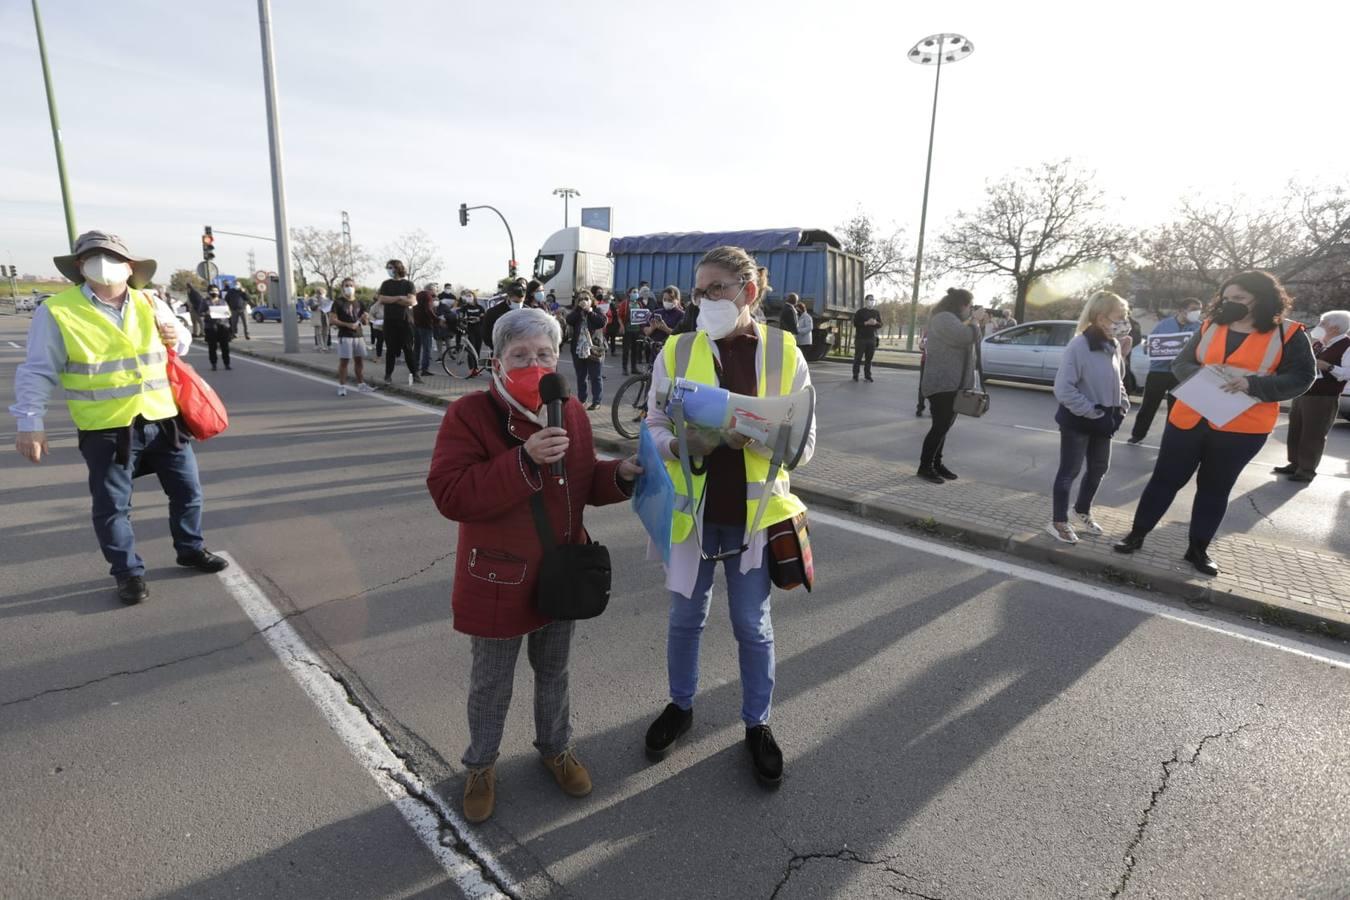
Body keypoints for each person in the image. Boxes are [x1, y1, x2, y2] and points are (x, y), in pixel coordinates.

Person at [426, 307, 639, 824]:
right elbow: (451, 494)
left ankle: (555, 748)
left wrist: (625, 474)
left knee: (554, 672)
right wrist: (524, 460)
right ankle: (480, 765)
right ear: (496, 361)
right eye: (520, 355)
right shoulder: (470, 415)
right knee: (492, 682)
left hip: (561, 574)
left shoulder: (571, 411)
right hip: (497, 578)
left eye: (544, 353)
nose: (534, 363)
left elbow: (585, 484)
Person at [640, 246, 815, 788]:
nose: (705, 300)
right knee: (684, 620)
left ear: (749, 291)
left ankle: (757, 724)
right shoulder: (676, 349)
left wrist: (764, 431)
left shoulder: (786, 351)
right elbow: (651, 425)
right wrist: (682, 442)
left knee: (752, 626)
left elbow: (805, 446)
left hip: (756, 518)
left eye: (717, 288)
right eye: (699, 290)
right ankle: (681, 705)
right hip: (693, 515)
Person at [10, 230, 229, 604]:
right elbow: (37, 371)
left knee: (188, 492)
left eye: (111, 256)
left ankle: (190, 548)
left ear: (130, 267)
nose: (103, 262)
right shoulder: (58, 310)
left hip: (162, 419)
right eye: (93, 256)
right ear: (80, 267)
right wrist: (30, 423)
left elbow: (181, 344)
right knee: (113, 507)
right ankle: (128, 574)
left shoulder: (151, 301)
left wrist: (177, 333)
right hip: (105, 427)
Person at [1113, 271, 1316, 575]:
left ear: (1261, 299)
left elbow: (1303, 378)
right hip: (1190, 416)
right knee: (1164, 479)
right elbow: (1180, 363)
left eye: (1239, 299)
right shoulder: (1210, 325)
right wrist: (1204, 376)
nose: (1230, 304)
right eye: (1226, 298)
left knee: (1214, 488)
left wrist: (1253, 385)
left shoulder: (1289, 334)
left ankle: (1198, 550)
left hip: (1243, 426)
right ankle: (1136, 535)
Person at [1046, 291, 1131, 544]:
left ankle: (1081, 510)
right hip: (1079, 421)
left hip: (1105, 421)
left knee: (1098, 468)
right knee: (1069, 471)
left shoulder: (1113, 344)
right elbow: (1063, 389)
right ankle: (1058, 521)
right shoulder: (1079, 345)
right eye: (1120, 316)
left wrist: (1122, 406)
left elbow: (1118, 382)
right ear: (1102, 317)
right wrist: (1093, 412)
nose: (1125, 321)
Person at [917, 288, 988, 483]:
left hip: (954, 384)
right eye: (970, 306)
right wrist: (974, 321)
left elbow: (973, 337)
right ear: (962, 305)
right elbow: (964, 336)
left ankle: (936, 463)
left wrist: (974, 322)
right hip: (942, 383)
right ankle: (925, 467)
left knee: (944, 427)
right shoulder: (943, 319)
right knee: (939, 427)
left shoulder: (954, 320)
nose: (971, 310)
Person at [1276, 309, 1349, 482]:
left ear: (1335, 328)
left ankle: (1306, 470)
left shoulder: (1346, 345)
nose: (1319, 326)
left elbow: (1347, 372)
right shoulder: (1319, 344)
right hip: (1304, 392)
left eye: (1323, 324)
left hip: (1323, 397)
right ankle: (1294, 464)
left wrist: (1329, 367)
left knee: (1313, 434)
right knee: (1296, 430)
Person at [1127, 298, 1203, 444]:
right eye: (1193, 309)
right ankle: (1137, 435)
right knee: (1149, 405)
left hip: (1181, 374)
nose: (1197, 312)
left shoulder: (1200, 327)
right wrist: (1150, 348)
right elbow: (1148, 346)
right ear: (1181, 310)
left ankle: (1171, 439)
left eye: (1199, 309)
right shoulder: (1164, 324)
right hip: (1159, 371)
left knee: (1176, 409)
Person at [377, 259, 421, 385]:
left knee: (408, 349)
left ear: (398, 268)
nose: (389, 270)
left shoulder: (408, 284)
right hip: (390, 321)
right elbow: (381, 299)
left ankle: (415, 374)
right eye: (388, 267)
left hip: (405, 321)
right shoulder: (385, 284)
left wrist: (392, 300)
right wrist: (399, 298)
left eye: (391, 267)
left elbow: (411, 301)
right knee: (390, 349)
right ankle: (388, 375)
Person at [331, 277, 373, 396]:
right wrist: (347, 325)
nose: (349, 288)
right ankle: (342, 386)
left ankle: (361, 384)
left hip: (358, 336)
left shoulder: (359, 303)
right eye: (346, 285)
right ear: (342, 288)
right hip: (345, 336)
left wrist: (365, 318)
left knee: (359, 361)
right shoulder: (338, 302)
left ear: (355, 287)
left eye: (351, 285)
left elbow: (364, 322)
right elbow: (333, 320)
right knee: (344, 362)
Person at [566, 290, 607, 409]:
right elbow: (569, 320)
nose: (583, 301)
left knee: (595, 376)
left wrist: (590, 312)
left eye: (586, 299)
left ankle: (597, 401)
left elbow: (602, 322)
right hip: (578, 349)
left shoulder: (597, 311)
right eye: (580, 299)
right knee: (581, 376)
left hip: (594, 349)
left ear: (591, 300)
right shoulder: (576, 312)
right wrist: (579, 310)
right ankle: (582, 400)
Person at [483, 282, 527, 353]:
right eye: (515, 301)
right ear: (508, 297)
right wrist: (499, 349)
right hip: (502, 353)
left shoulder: (529, 313)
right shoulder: (493, 313)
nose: (518, 304)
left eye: (521, 301)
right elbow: (486, 336)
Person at [645, 286, 685, 357]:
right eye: (665, 299)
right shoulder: (656, 312)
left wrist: (665, 328)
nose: (667, 302)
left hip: (672, 351)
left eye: (670, 300)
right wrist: (652, 328)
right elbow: (646, 332)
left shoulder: (681, 315)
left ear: (677, 300)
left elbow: (681, 336)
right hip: (655, 350)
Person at [201, 285, 233, 371]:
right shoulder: (205, 302)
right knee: (212, 347)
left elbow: (229, 313)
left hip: (223, 326)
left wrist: (228, 314)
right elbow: (200, 313)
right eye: (212, 291)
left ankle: (227, 364)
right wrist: (207, 313)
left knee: (225, 346)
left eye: (216, 290)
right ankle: (214, 364)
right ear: (209, 292)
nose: (214, 292)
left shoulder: (223, 302)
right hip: (211, 327)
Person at [852, 294, 882, 382]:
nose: (871, 301)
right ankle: (855, 374)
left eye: (873, 300)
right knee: (858, 357)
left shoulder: (876, 312)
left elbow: (880, 324)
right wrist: (866, 323)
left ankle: (867, 375)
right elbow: (855, 323)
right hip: (861, 338)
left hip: (871, 338)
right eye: (870, 299)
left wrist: (876, 323)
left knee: (869, 358)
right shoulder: (860, 312)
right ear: (866, 301)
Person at [414, 283, 439, 377]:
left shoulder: (417, 295)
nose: (436, 291)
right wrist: (437, 320)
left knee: (417, 348)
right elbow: (428, 310)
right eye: (435, 289)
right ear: (430, 289)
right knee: (427, 348)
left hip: (416, 325)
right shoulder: (428, 297)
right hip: (425, 325)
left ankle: (415, 367)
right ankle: (425, 369)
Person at [458, 290, 486, 358]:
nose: (468, 297)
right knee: (471, 349)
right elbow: (460, 318)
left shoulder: (480, 307)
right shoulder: (464, 308)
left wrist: (478, 319)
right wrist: (464, 320)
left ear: (474, 297)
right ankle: (471, 367)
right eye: (467, 296)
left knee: (477, 349)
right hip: (470, 330)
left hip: (479, 330)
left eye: (469, 296)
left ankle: (476, 366)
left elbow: (483, 318)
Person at [368, 294, 385, 359]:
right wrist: (375, 321)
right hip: (378, 326)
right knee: (380, 341)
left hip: (389, 326)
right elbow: (370, 315)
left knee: (390, 342)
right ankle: (378, 356)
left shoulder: (390, 304)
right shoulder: (375, 306)